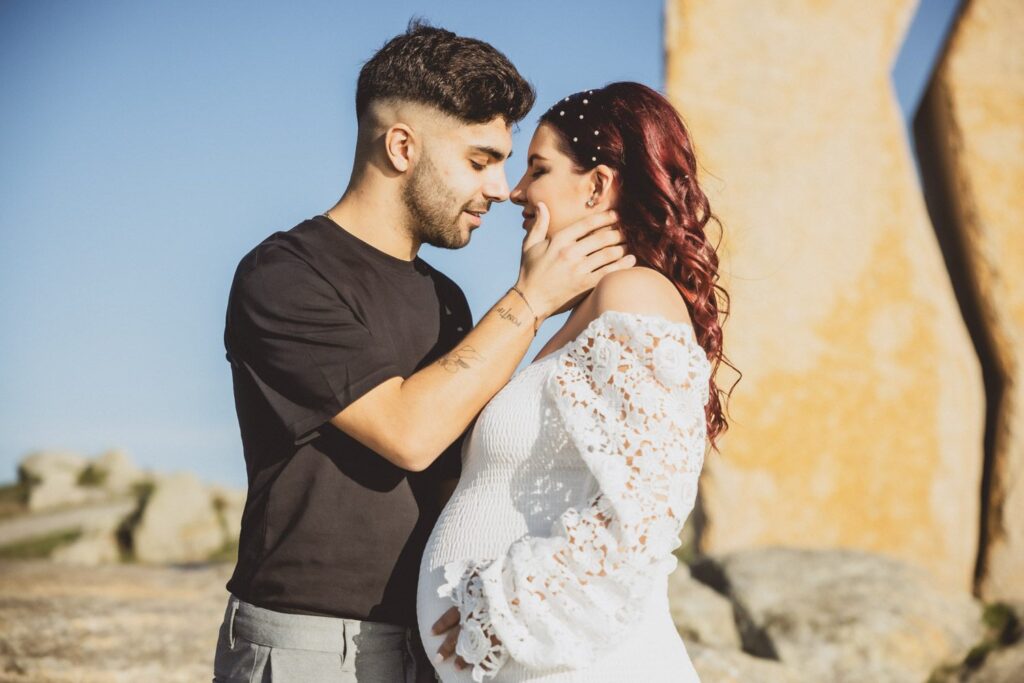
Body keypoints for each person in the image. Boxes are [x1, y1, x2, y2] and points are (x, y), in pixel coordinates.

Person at [213, 23, 636, 683]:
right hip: (313, 648)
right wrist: (529, 301)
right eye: (479, 159)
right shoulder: (285, 274)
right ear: (403, 147)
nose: (501, 188)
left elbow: (462, 479)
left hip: (431, 642)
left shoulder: (447, 300)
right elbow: (409, 433)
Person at [418, 82, 734, 682]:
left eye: (536, 169)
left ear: (597, 184)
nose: (514, 191)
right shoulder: (585, 312)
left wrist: (495, 610)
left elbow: (644, 517)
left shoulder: (633, 294)